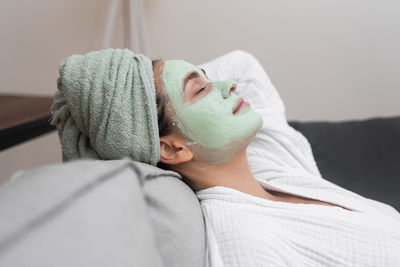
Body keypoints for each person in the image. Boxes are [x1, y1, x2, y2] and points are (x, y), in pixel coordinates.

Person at [51, 48, 400, 266]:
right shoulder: (245, 242)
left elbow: (244, 64)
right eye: (200, 89)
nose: (228, 86)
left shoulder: (272, 163)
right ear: (173, 148)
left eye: (208, 78)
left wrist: (141, 82)